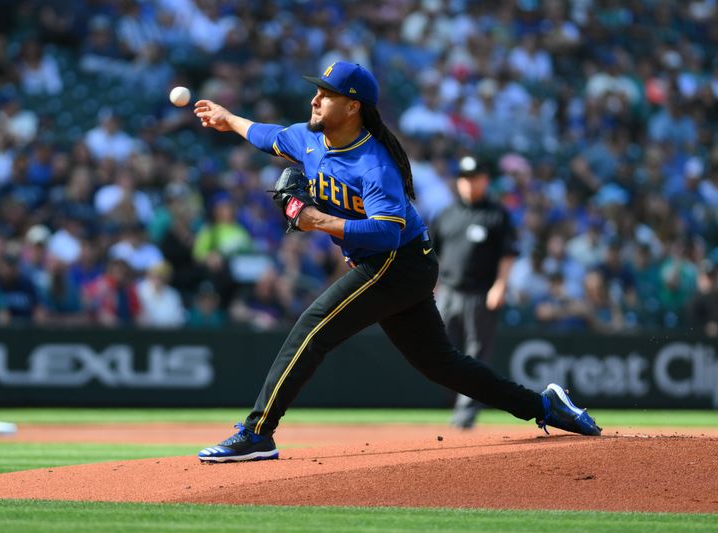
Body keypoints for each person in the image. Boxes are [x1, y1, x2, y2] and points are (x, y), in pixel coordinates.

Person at [193, 61, 601, 463]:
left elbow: (387, 232)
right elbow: (269, 136)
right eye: (317, 91)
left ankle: (258, 432)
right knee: (442, 366)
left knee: (312, 328)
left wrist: (317, 221)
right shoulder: (309, 139)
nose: (315, 99)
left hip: (397, 261)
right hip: (393, 264)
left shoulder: (373, 163)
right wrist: (229, 119)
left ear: (353, 107)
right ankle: (546, 407)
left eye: (326, 93)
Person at [429, 156, 519, 429]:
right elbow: (432, 255)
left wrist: (500, 285)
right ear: (459, 181)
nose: (469, 183)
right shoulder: (446, 215)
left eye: (474, 177)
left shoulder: (496, 214)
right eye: (465, 178)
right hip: (448, 292)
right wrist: (432, 288)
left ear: (485, 180)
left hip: (481, 293)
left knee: (476, 353)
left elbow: (508, 254)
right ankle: (457, 404)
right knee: (442, 351)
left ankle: (466, 414)